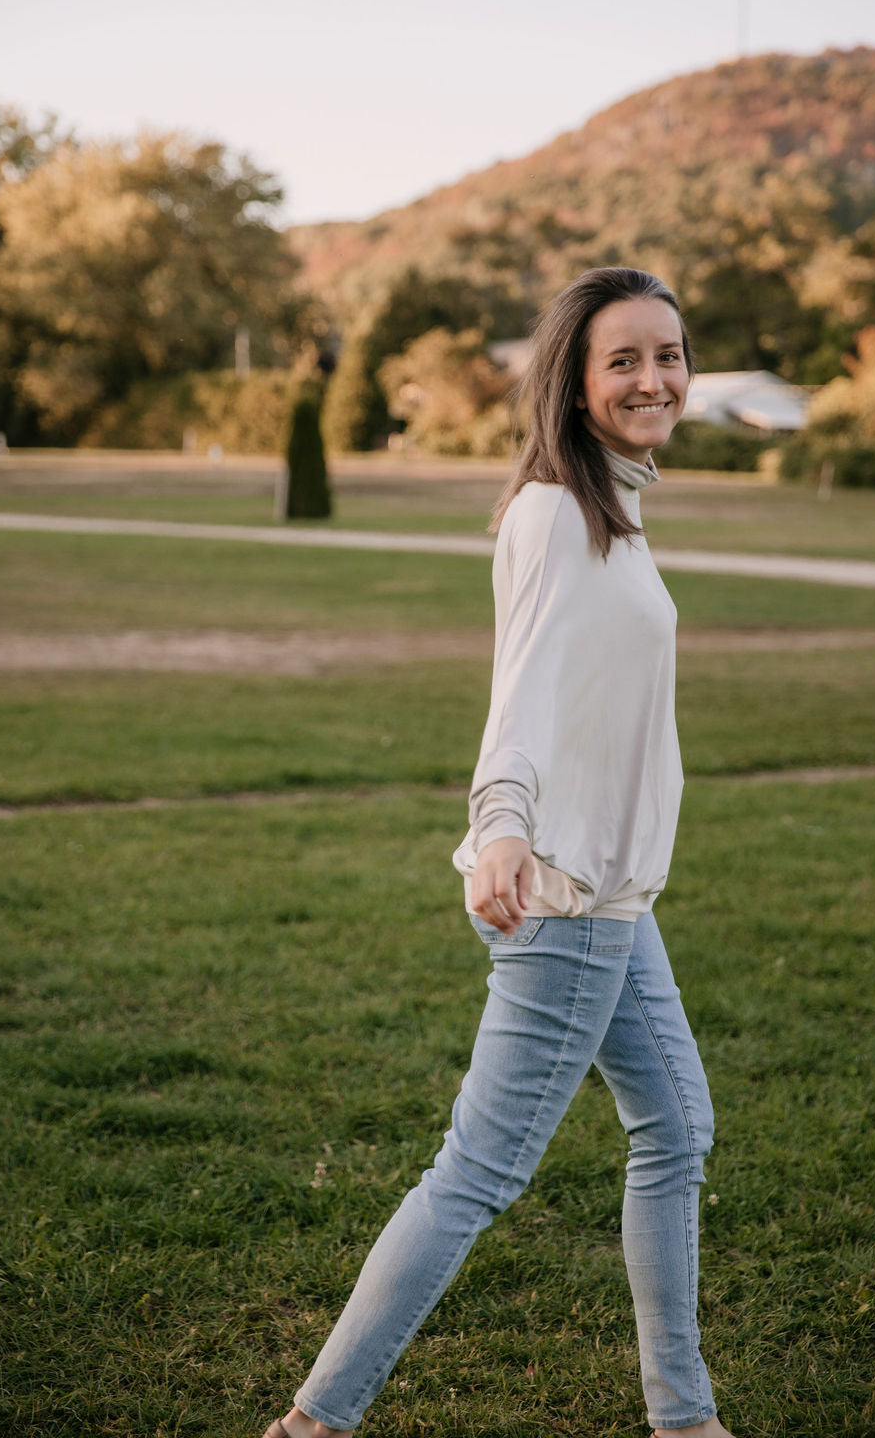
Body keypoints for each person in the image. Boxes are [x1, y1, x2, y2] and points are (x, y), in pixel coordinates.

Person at [264, 267, 736, 1438]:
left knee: (676, 1130)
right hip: (566, 894)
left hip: (614, 897)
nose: (652, 378)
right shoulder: (553, 515)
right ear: (574, 383)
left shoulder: (613, 514)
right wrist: (504, 828)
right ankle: (314, 1423)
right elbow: (515, 701)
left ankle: (684, 1420)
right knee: (478, 1172)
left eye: (667, 354)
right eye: (622, 359)